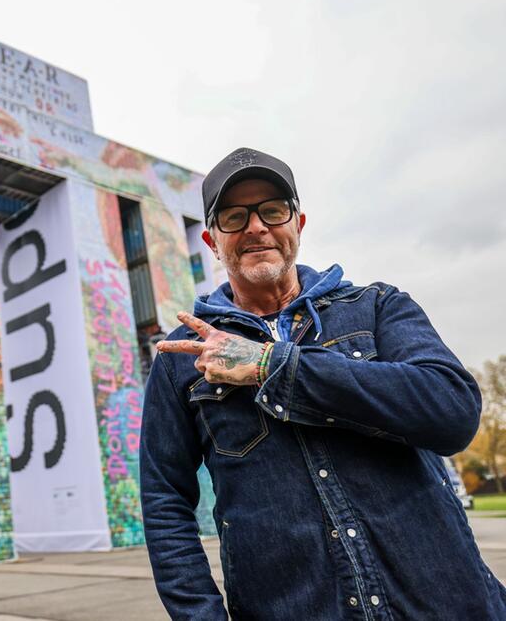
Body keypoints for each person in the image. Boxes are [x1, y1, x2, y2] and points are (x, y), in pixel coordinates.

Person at [139, 147, 506, 619]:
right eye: (235, 217)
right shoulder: (180, 360)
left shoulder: (377, 307)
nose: (256, 227)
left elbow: (453, 414)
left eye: (273, 211)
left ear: (298, 223)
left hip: (445, 603)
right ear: (212, 241)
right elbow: (164, 502)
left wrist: (270, 366)